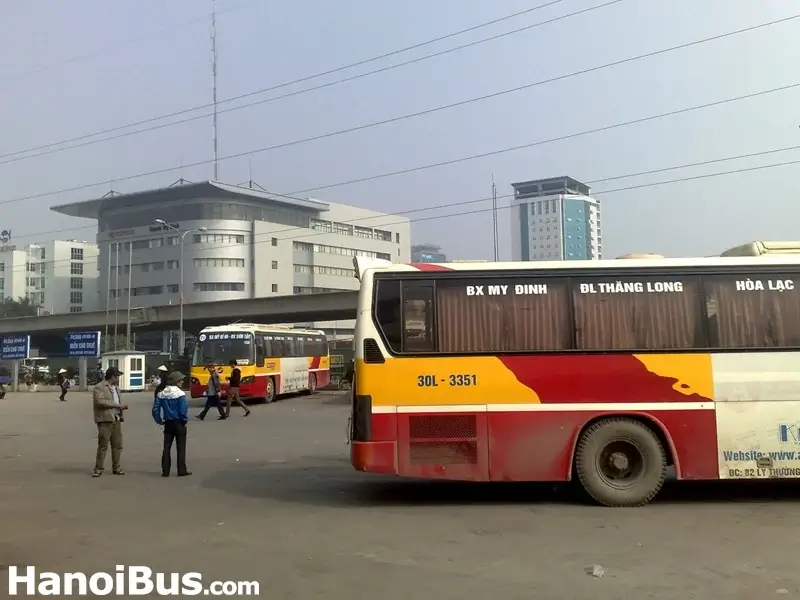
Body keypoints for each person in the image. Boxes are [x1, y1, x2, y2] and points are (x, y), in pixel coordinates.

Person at [152, 371, 191, 477]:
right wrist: (184, 420)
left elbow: (155, 409)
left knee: (166, 447)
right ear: (176, 381)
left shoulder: (161, 394)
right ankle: (181, 470)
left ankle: (165, 470)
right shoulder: (180, 394)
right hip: (179, 422)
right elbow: (183, 410)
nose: (182, 382)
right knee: (181, 447)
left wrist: (159, 420)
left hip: (168, 423)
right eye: (181, 380)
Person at [92, 367, 128, 477]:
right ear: (113, 376)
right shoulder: (99, 387)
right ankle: (98, 468)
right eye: (117, 376)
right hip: (105, 419)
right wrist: (117, 405)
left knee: (117, 445)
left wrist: (121, 407)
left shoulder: (116, 388)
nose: (118, 378)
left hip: (116, 418)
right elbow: (99, 401)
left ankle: (116, 467)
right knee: (103, 445)